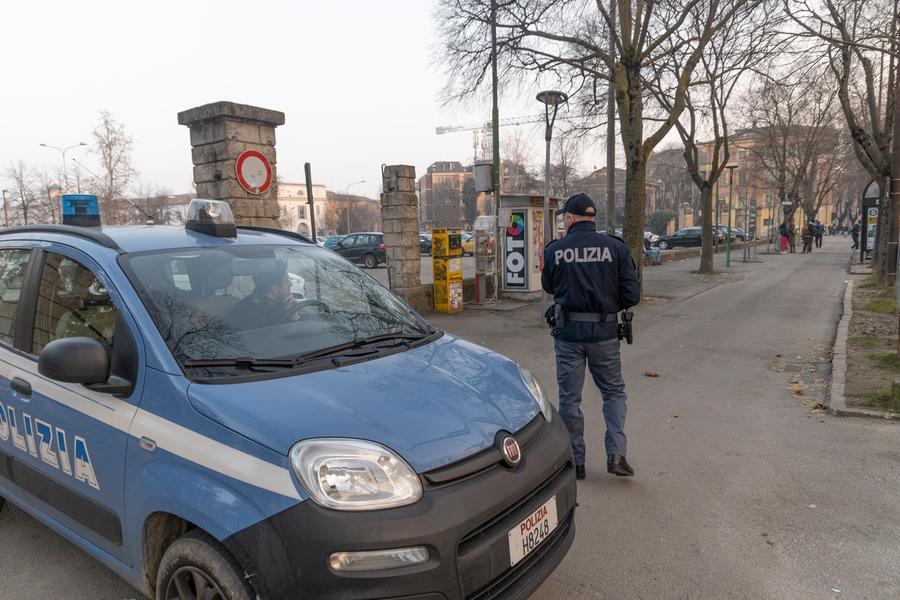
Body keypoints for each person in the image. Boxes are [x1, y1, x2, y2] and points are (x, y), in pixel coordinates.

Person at [541, 193, 641, 481]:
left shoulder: (555, 250)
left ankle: (577, 462)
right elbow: (632, 295)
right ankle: (617, 455)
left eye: (564, 217)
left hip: (568, 334)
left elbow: (549, 286)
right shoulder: (615, 247)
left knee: (570, 400)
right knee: (613, 392)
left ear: (570, 219)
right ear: (593, 218)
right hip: (605, 335)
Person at [227, 260, 300, 329]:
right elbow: (271, 339)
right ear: (274, 289)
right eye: (287, 281)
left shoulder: (266, 303)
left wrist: (289, 307)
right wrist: (292, 321)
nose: (291, 284)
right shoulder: (253, 313)